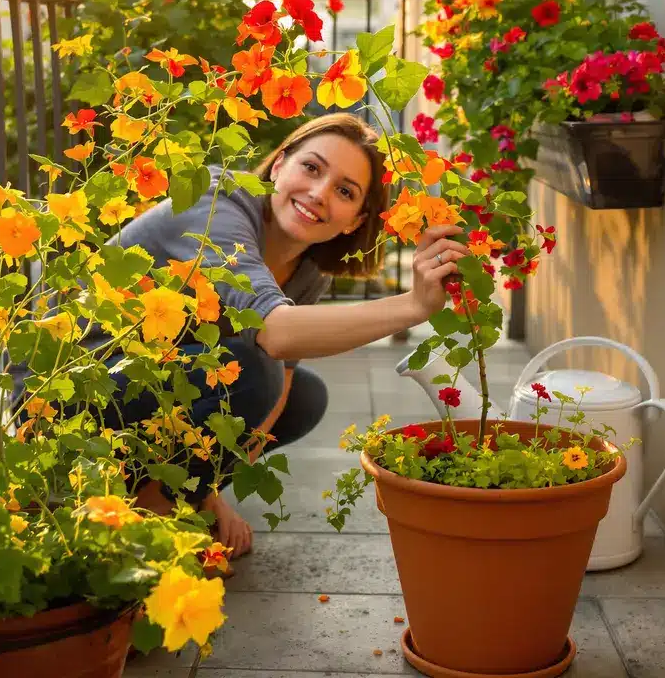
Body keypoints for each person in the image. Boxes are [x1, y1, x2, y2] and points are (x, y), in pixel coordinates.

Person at [97, 113, 469, 556]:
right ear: (278, 166)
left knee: (302, 397)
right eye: (311, 168)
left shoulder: (308, 270)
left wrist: (208, 492)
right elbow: (275, 335)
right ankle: (148, 526)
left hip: (153, 387)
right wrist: (414, 306)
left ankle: (164, 501)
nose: (319, 193)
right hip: (79, 384)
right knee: (254, 367)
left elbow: (280, 389)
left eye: (345, 191)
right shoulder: (215, 201)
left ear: (354, 221)